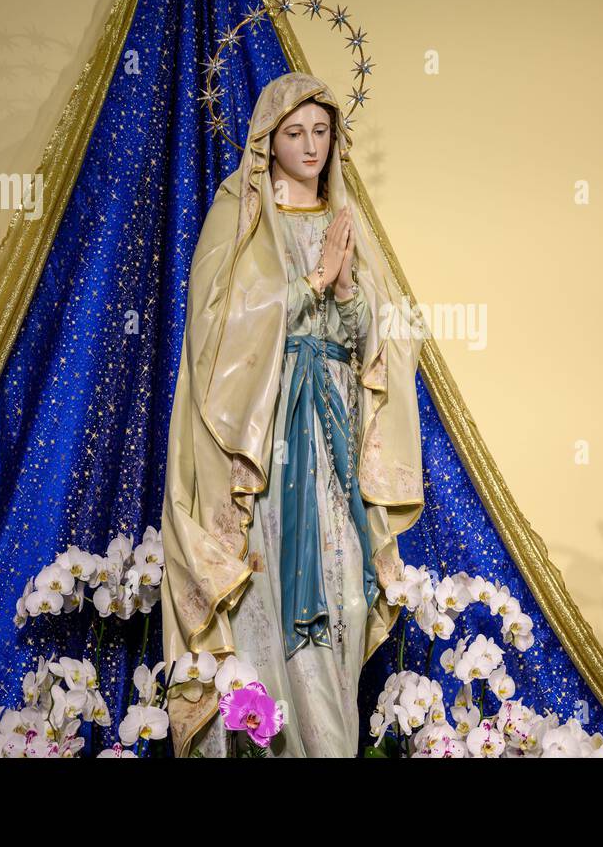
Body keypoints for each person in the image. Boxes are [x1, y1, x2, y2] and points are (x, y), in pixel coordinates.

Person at [160, 72, 425, 757]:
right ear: (268, 144)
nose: (309, 145)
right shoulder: (240, 216)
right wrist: (306, 285)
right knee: (268, 592)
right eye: (293, 133)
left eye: (320, 130)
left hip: (335, 435)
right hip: (267, 441)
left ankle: (330, 739)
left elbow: (384, 338)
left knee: (344, 591)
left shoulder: (348, 222)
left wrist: (345, 291)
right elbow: (215, 330)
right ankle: (273, 743)